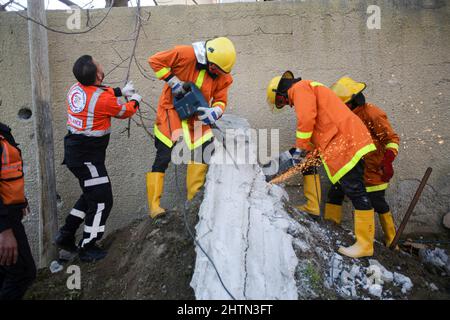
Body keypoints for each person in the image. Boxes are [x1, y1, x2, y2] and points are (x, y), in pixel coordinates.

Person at [266, 71, 377, 258]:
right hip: (339, 140)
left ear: (281, 92)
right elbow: (317, 124)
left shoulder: (299, 88)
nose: (288, 104)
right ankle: (312, 206)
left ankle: (365, 244)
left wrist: (300, 149)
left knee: (355, 189)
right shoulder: (309, 89)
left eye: (283, 102)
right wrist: (301, 153)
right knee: (309, 164)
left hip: (346, 141)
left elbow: (306, 120)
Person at [55, 55, 141, 262]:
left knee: (90, 195)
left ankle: (66, 235)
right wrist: (135, 100)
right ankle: (88, 246)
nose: (101, 64)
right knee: (102, 199)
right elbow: (124, 111)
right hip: (88, 159)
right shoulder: (102, 98)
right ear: (99, 75)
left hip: (77, 153)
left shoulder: (76, 88)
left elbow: (97, 93)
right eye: (99, 64)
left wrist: (120, 91)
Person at [146, 37, 236, 218]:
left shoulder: (223, 76)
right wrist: (173, 82)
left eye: (219, 72)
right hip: (171, 112)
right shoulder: (185, 54)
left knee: (203, 151)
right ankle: (155, 207)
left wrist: (215, 112)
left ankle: (193, 202)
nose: (216, 73)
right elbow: (155, 61)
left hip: (198, 116)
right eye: (214, 69)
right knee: (163, 155)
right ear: (208, 58)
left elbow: (221, 100)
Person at [328, 76, 400, 247]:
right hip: (350, 167)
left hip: (373, 169)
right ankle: (331, 232)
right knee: (334, 195)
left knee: (378, 203)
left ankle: (392, 241)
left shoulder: (372, 114)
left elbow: (392, 139)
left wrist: (388, 161)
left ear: (352, 101)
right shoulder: (345, 117)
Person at [0, 122, 36, 300]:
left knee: (6, 273)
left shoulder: (3, 131)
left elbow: (8, 173)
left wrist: (19, 199)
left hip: (9, 212)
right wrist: (4, 231)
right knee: (22, 273)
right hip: (4, 221)